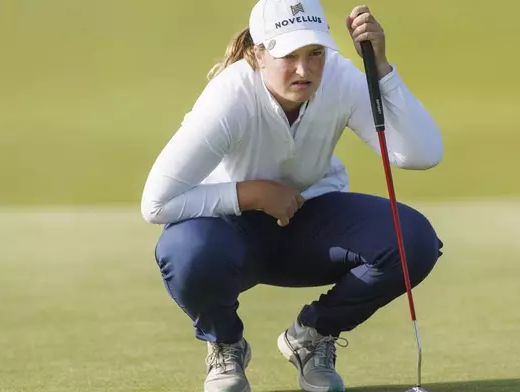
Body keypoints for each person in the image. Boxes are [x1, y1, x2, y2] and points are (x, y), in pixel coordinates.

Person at [140, 0, 444, 391]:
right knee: (185, 250)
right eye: (289, 55)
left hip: (312, 227)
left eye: (315, 52)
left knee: (412, 240)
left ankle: (312, 336)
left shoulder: (338, 77)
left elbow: (420, 153)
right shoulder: (228, 98)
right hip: (228, 236)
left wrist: (381, 70)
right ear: (258, 53)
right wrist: (254, 194)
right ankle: (226, 346)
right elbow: (157, 203)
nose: (304, 69)